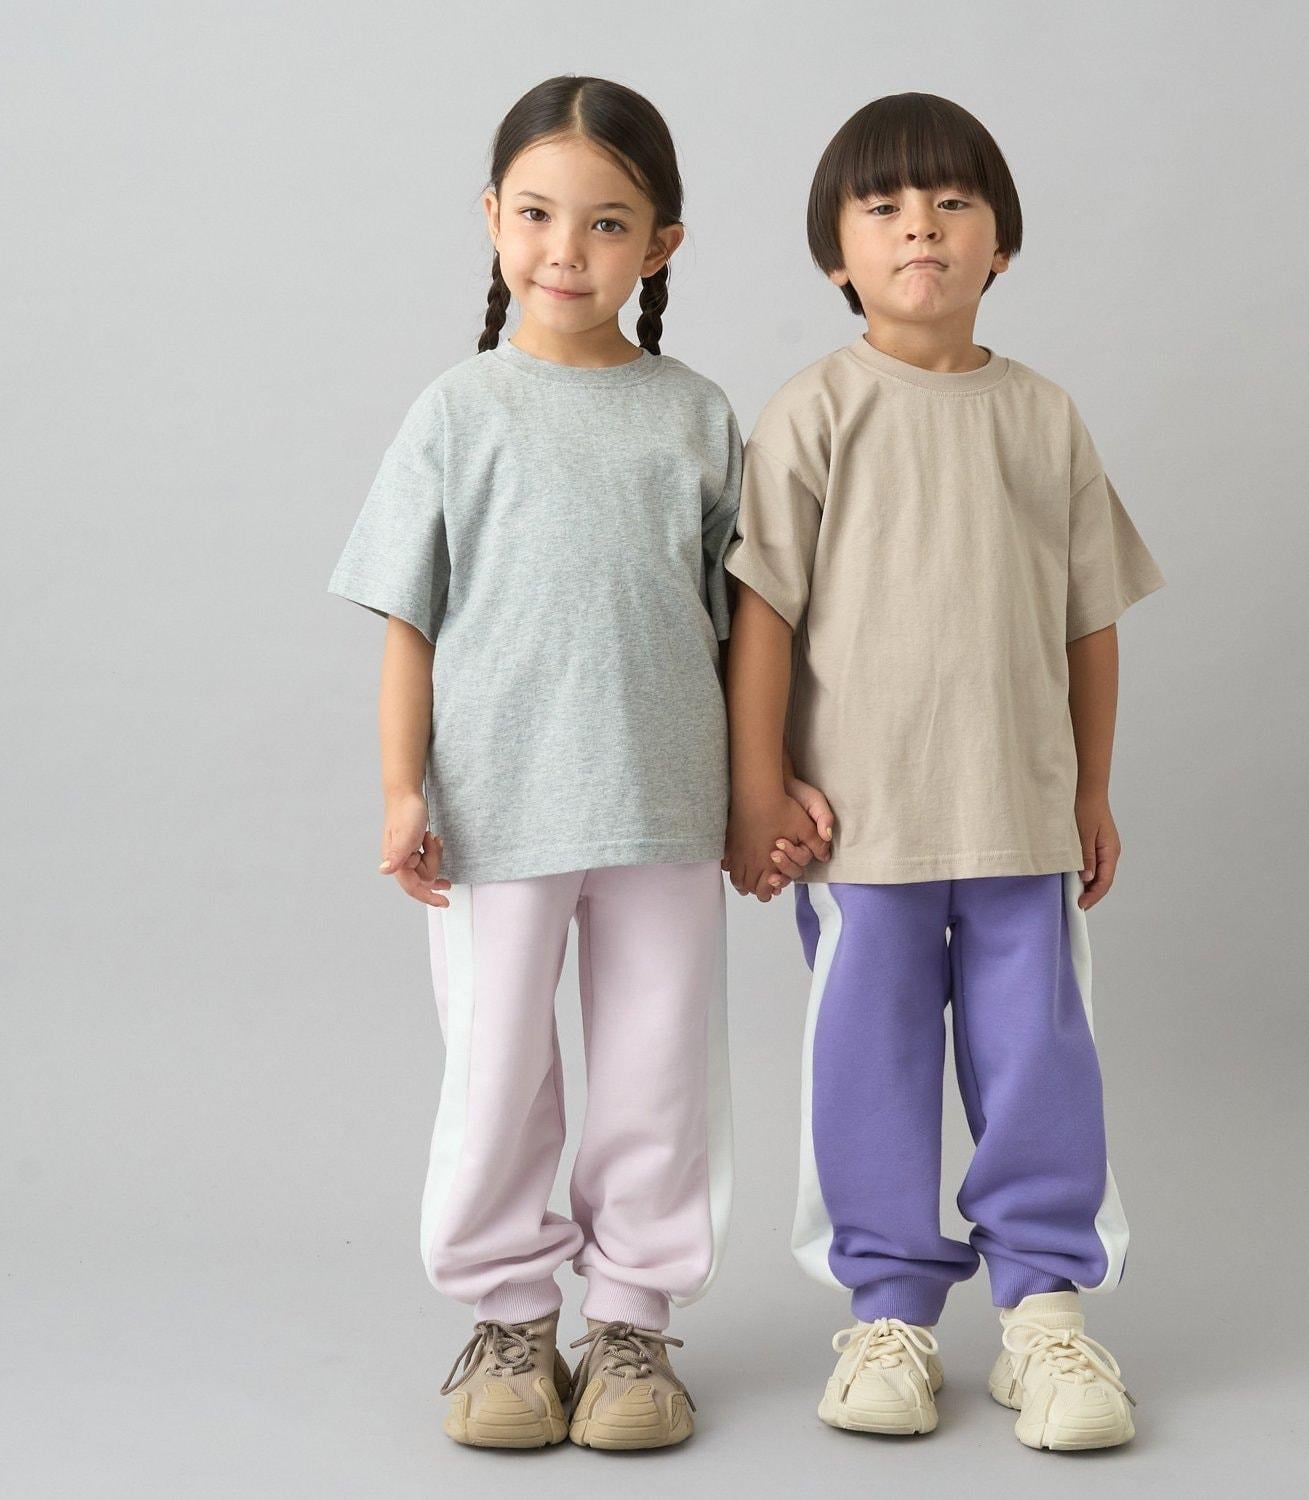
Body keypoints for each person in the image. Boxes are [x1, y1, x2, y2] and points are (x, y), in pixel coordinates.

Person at [327, 75, 830, 1453]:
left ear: (661, 244)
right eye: (539, 215)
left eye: (607, 223)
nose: (567, 250)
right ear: (493, 218)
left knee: (659, 1072)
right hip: (496, 814)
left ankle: (632, 1326)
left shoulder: (697, 416)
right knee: (496, 1073)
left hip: (666, 806)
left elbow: (752, 631)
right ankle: (507, 1317)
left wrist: (763, 788)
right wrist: (401, 788)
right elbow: (409, 620)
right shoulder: (457, 411)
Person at [723, 92, 1164, 1450]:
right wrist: (756, 786)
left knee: (1039, 1062)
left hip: (1020, 817)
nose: (921, 226)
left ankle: (1044, 1314)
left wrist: (1089, 790)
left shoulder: (1044, 418)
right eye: (886, 207)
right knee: (870, 1064)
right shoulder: (814, 414)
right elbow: (761, 615)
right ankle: (887, 1315)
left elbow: (1090, 620)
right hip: (864, 830)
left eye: (952, 203)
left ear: (1000, 245)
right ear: (836, 255)